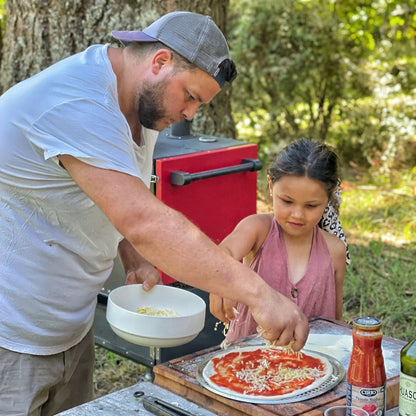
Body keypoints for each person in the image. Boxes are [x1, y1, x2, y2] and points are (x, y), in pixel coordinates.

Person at [0, 11, 309, 416]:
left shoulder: (135, 103)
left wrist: (133, 252)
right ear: (160, 62)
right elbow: (144, 221)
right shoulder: (78, 101)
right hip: (12, 334)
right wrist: (257, 293)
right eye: (192, 96)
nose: (191, 114)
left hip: (68, 326)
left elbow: (107, 193)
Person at [210, 138, 347, 343]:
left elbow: (336, 322)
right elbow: (225, 252)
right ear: (271, 186)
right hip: (246, 364)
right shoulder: (257, 229)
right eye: (287, 201)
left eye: (311, 206)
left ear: (329, 197)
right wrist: (222, 280)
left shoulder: (334, 250)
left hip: (311, 365)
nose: (297, 215)